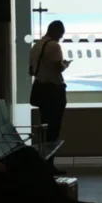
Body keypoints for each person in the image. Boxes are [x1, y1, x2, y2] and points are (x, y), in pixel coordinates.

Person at [30, 20, 69, 174]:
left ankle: (44, 165)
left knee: (45, 129)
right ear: (56, 32)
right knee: (54, 130)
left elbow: (31, 70)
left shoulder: (36, 46)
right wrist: (65, 65)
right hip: (54, 92)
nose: (60, 38)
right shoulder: (54, 46)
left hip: (41, 91)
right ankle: (49, 165)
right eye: (60, 35)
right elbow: (58, 68)